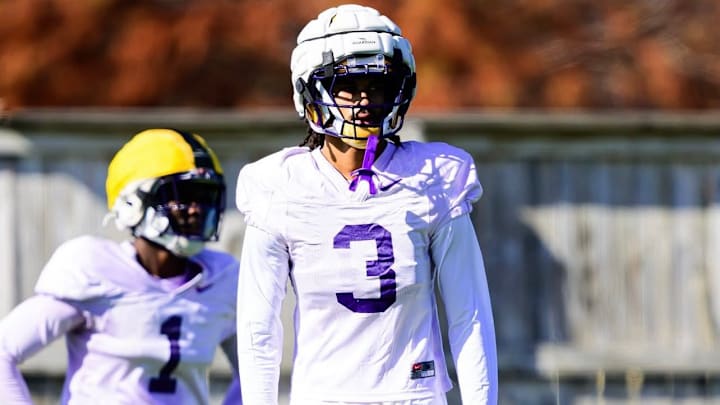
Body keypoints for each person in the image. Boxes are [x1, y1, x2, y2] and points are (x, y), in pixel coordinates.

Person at [235, 4, 497, 405]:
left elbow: (470, 314)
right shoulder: (279, 186)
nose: (364, 100)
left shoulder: (435, 179)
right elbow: (259, 329)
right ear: (310, 90)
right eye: (348, 85)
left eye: (377, 86)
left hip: (415, 396)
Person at [0, 128, 241, 404]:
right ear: (133, 201)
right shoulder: (95, 269)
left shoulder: (222, 278)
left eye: (204, 196)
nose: (197, 209)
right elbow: (4, 350)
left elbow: (257, 370)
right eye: (183, 195)